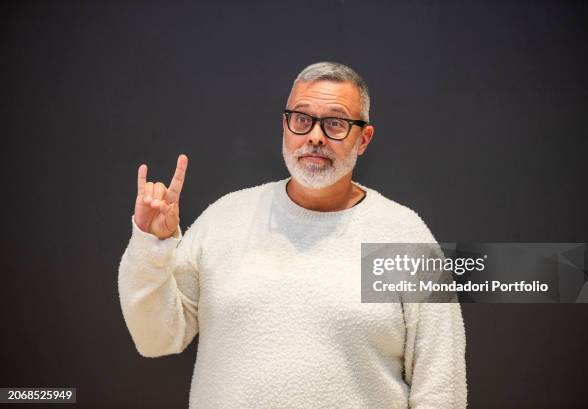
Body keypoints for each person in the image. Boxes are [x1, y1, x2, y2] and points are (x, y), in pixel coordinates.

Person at [118, 61, 467, 409]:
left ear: (363, 139)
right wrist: (153, 246)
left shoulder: (402, 235)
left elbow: (441, 385)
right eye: (302, 120)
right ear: (285, 127)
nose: (315, 136)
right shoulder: (225, 218)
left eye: (336, 123)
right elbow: (156, 338)